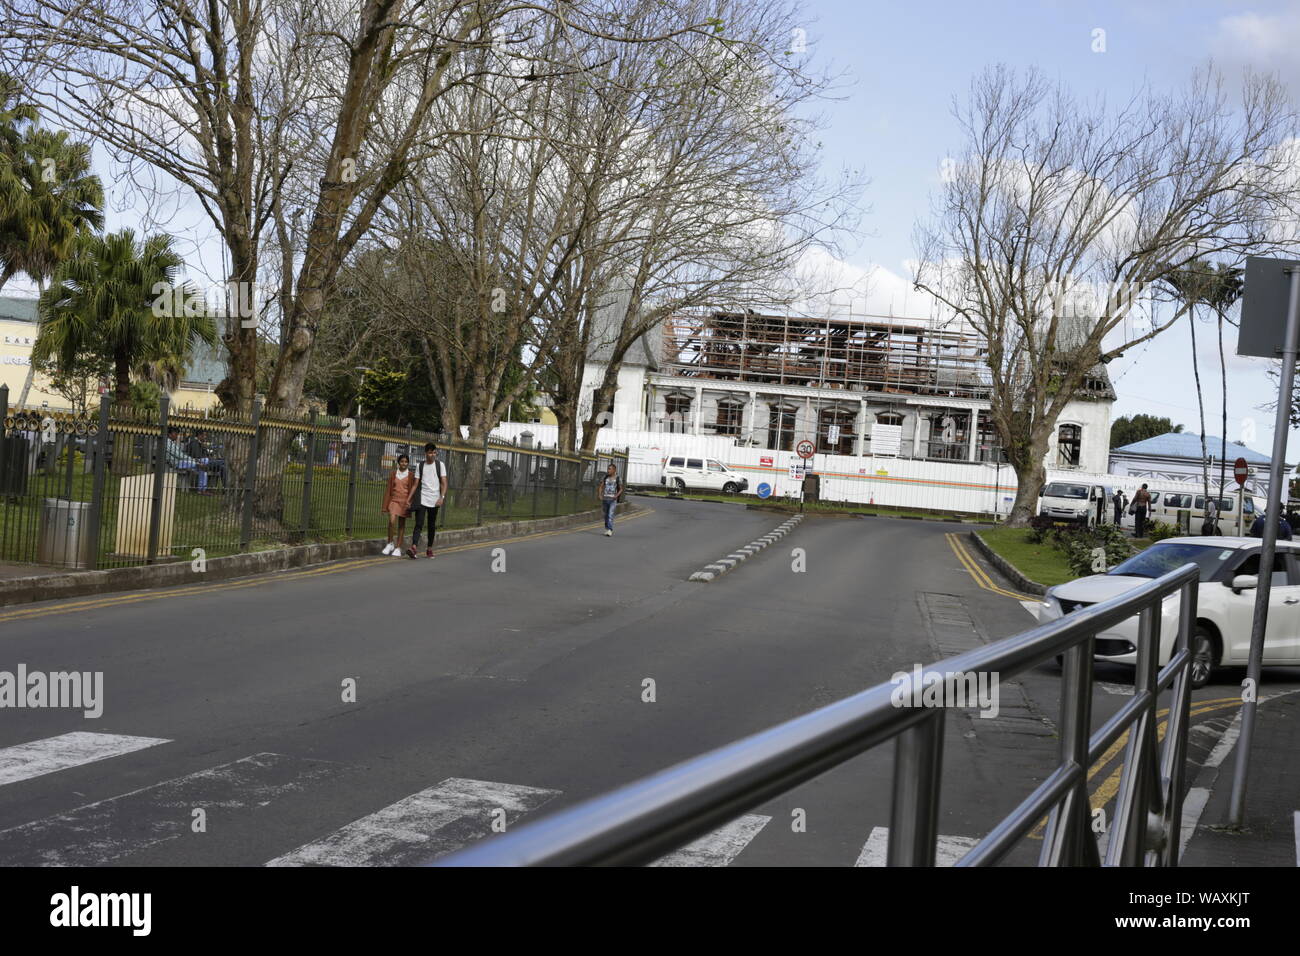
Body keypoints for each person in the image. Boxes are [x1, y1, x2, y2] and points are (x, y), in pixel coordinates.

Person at [408, 442, 448, 559]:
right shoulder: (420, 466)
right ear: (426, 453)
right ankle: (414, 547)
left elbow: (444, 483)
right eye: (430, 452)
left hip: (435, 500)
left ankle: (429, 548)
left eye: (434, 452)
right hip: (422, 499)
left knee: (431, 525)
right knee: (418, 524)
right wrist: (408, 499)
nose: (432, 455)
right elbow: (415, 484)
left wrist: (442, 498)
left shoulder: (440, 465)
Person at [381, 453, 416, 556]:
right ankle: (390, 543)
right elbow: (388, 490)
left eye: (406, 462)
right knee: (391, 521)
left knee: (401, 524)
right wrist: (384, 507)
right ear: (398, 462)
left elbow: (412, 491)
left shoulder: (411, 475)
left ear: (408, 463)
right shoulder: (393, 474)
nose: (404, 463)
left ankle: (398, 547)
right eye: (402, 461)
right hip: (394, 501)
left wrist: (410, 503)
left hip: (404, 502)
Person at [598, 464, 622, 537]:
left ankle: (610, 530)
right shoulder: (605, 477)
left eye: (610, 469)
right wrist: (599, 494)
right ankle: (607, 528)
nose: (608, 470)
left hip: (612, 500)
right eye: (608, 469)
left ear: (614, 470)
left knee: (610, 514)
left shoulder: (618, 478)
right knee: (606, 515)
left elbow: (621, 489)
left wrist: (616, 496)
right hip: (605, 499)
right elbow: (601, 487)